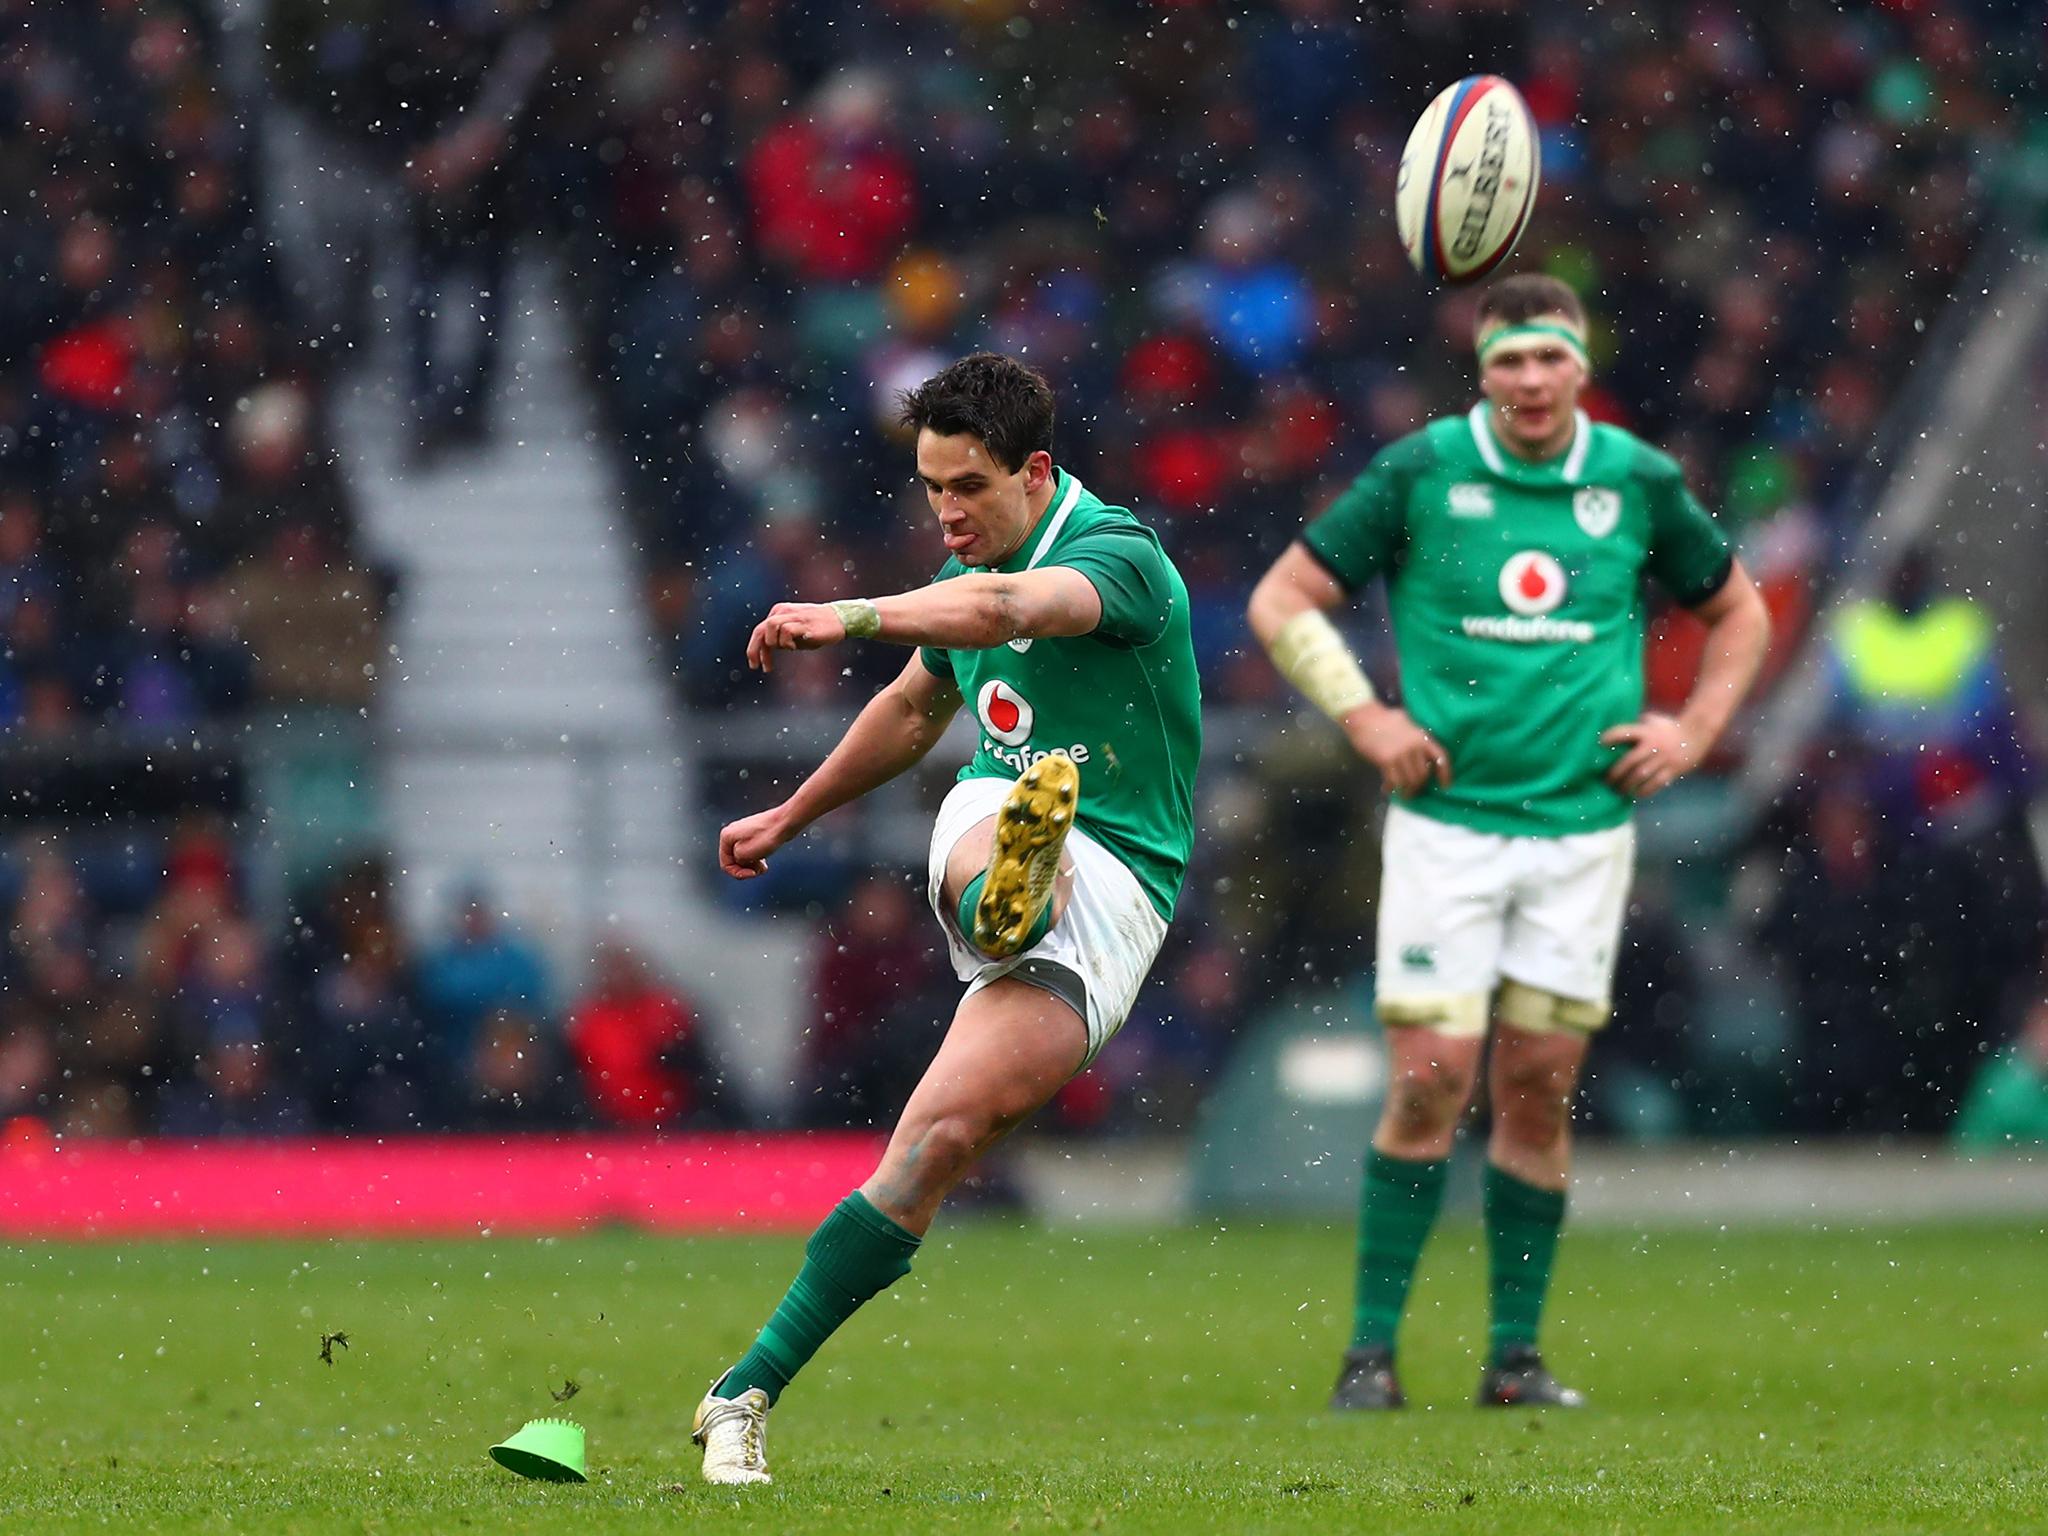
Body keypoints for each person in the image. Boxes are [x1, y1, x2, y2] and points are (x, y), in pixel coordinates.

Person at [1247, 275, 1770, 1411]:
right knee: (1431, 1080)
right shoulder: (1419, 471)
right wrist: (1366, 716)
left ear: (1580, 367)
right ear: (1479, 373)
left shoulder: (1634, 482)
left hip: (1580, 837)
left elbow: (1741, 610)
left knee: (1536, 1091)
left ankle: (1514, 1361)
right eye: (1507, 363)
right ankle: (1370, 1353)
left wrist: (1692, 729)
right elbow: (1282, 600)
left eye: (1548, 360)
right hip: (1448, 830)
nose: (1529, 382)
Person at [692, 352, 1201, 1483]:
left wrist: (848, 611)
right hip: (1003, 812)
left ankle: (740, 1389)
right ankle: (1007, 890)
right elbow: (917, 704)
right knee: (1010, 826)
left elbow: (1015, 606)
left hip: (1123, 892)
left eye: (967, 487)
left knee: (930, 1152)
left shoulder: (1117, 559)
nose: (947, 512)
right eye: (930, 489)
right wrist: (793, 812)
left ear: (1036, 472)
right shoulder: (957, 573)